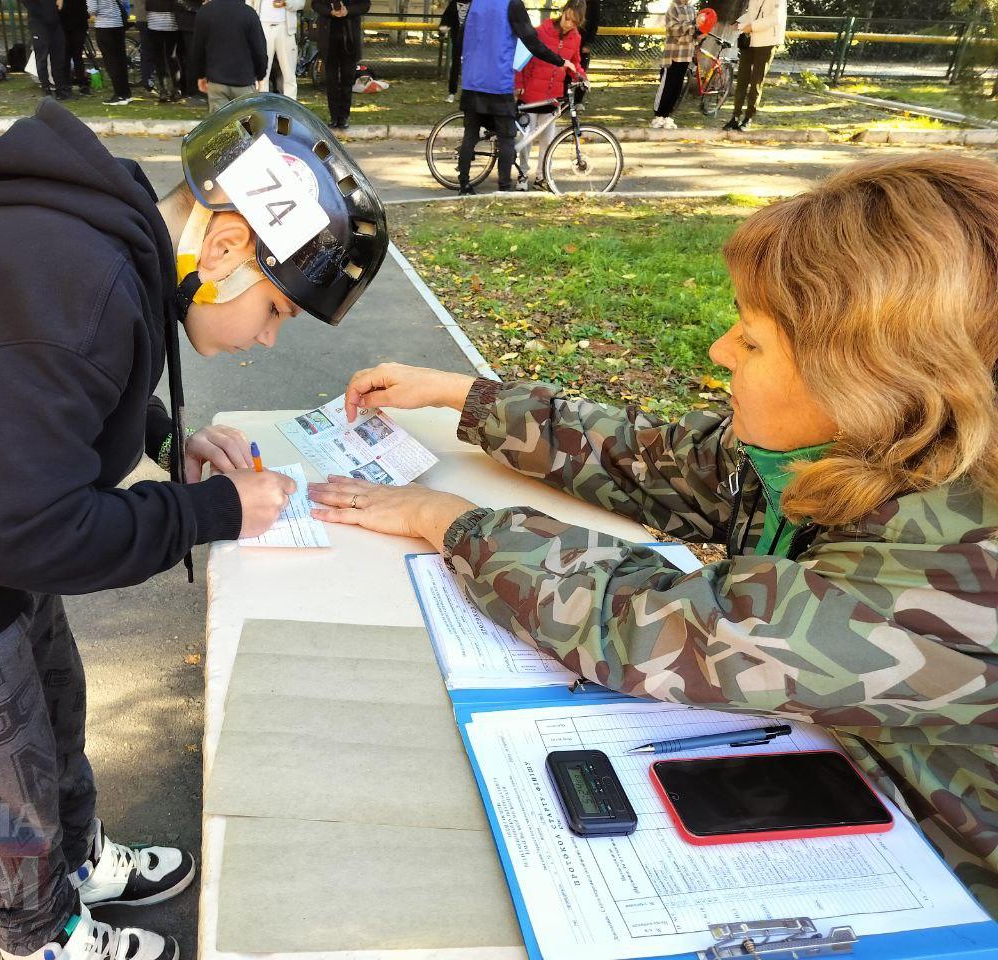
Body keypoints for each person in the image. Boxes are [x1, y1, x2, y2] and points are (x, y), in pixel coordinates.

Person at [308, 153, 998, 914]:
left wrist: (447, 521)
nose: (719, 352)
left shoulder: (951, 559)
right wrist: (467, 398)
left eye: (754, 341)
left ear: (869, 382)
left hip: (943, 891)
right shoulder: (869, 451)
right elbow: (664, 461)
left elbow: (658, 628)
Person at [0, 94, 389, 960]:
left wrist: (165, 439)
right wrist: (214, 512)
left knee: (52, 712)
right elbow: (34, 533)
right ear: (226, 247)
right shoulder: (72, 282)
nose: (265, 339)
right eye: (278, 311)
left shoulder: (104, 253)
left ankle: (79, 859)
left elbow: (46, 397)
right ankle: (40, 937)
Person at [454, 0, 578, 195]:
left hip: (473, 80)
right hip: (497, 82)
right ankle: (504, 188)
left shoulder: (475, 3)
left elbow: (461, 39)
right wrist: (560, 61)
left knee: (470, 135)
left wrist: (457, 77)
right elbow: (532, 42)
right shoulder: (512, 5)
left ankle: (464, 185)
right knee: (506, 138)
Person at [514, 0, 585, 190]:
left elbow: (574, 62)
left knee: (547, 140)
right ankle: (522, 174)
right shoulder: (540, 31)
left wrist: (581, 76)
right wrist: (519, 82)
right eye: (567, 18)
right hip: (530, 93)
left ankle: (542, 176)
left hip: (553, 96)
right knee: (525, 139)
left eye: (574, 22)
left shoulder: (575, 38)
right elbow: (522, 56)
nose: (568, 24)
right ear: (563, 12)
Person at [193, 0, 268, 111]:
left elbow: (198, 48)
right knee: (245, 124)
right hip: (244, 80)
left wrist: (200, 74)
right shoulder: (249, 13)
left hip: (216, 80)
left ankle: (231, 130)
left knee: (222, 125)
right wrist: (260, 74)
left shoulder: (205, 12)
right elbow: (259, 49)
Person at [724, 0, 786, 131]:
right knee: (742, 79)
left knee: (756, 81)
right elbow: (753, 13)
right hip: (750, 40)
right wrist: (740, 22)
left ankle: (748, 118)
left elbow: (775, 18)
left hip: (767, 41)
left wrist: (752, 26)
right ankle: (735, 117)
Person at [311, 0, 370, 130]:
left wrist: (347, 11)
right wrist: (330, 12)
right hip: (329, 39)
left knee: (347, 79)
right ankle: (334, 117)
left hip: (349, 39)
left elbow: (365, 5)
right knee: (331, 80)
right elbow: (315, 4)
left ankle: (343, 117)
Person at [651, 0, 696, 129]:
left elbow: (693, 34)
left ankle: (667, 116)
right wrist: (691, 26)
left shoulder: (691, 9)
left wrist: (698, 34)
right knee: (667, 86)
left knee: (677, 88)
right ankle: (658, 115)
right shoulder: (673, 8)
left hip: (686, 55)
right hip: (673, 55)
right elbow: (673, 30)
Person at [253, 0, 305, 99]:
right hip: (261, 26)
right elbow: (249, 3)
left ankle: (290, 109)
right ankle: (261, 108)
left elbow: (301, 3)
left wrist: (286, 2)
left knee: (289, 75)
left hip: (285, 28)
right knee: (261, 75)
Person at [24, 0, 73, 99]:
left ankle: (60, 89)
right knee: (42, 57)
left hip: (55, 22)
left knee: (58, 56)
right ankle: (46, 88)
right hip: (38, 23)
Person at [88, 0, 133, 104]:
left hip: (104, 25)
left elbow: (92, 10)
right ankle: (126, 93)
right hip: (118, 24)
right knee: (120, 59)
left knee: (111, 62)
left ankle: (119, 94)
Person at [144, 0, 182, 100]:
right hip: (171, 25)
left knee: (159, 58)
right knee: (172, 57)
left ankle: (163, 89)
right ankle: (176, 88)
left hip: (154, 24)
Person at [437, 0, 470, 104]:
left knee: (470, 67)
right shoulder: (453, 4)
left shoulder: (475, 4)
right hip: (457, 40)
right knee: (455, 66)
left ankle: (468, 93)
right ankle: (452, 93)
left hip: (472, 41)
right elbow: (445, 19)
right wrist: (442, 30)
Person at [174, 0, 204, 106]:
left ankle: (189, 90)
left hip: (188, 22)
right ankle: (192, 91)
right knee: (192, 58)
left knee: (190, 58)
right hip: (190, 23)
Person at [59, 0, 91, 95]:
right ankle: (81, 83)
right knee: (77, 56)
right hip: (78, 23)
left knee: (67, 55)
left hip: (66, 24)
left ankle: (67, 84)